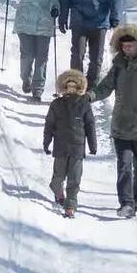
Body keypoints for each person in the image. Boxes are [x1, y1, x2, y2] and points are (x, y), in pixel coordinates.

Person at [91, 23, 137, 218]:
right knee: (124, 166)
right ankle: (126, 203)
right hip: (121, 126)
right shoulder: (118, 66)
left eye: (130, 45)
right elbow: (105, 87)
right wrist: (90, 95)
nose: (127, 49)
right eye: (124, 46)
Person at [3, 0, 59, 100]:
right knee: (27, 55)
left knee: (42, 58)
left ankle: (38, 90)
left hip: (45, 21)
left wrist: (55, 9)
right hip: (25, 20)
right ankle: (25, 79)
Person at [42, 69, 97, 218]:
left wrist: (93, 145)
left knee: (74, 179)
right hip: (60, 147)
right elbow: (49, 124)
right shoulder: (56, 104)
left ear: (79, 88)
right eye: (68, 86)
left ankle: (70, 206)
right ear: (63, 87)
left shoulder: (84, 105)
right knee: (58, 177)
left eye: (74, 86)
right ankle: (57, 191)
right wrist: (46, 142)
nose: (71, 89)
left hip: (77, 148)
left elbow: (90, 125)